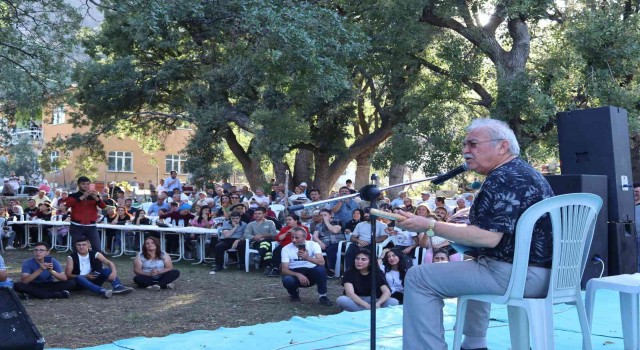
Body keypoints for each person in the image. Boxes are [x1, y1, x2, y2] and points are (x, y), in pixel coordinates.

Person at [397, 118, 554, 350]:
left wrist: (429, 225)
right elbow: (489, 237)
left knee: (419, 278)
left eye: (472, 144)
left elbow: (488, 238)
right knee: (475, 261)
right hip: (545, 275)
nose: (465, 151)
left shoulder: (503, 177)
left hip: (519, 276)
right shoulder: (522, 172)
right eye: (464, 145)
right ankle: (474, 344)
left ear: (502, 146)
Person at [65, 237, 133, 298]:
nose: (81, 247)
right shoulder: (71, 257)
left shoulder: (95, 254)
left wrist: (114, 272)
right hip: (80, 282)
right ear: (75, 246)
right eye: (79, 245)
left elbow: (109, 263)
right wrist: (85, 276)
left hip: (93, 279)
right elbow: (68, 275)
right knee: (79, 277)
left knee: (107, 270)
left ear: (88, 245)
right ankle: (101, 291)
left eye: (84, 245)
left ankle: (118, 286)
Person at [280, 227, 332, 305]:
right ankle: (294, 294)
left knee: (320, 270)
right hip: (295, 272)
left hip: (311, 271)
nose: (294, 240)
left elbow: (322, 262)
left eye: (297, 238)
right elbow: (284, 270)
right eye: (292, 237)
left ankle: (323, 296)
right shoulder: (286, 249)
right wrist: (298, 275)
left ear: (304, 237)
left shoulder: (313, 245)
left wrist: (307, 258)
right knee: (287, 279)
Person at [65, 176, 107, 252]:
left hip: (91, 226)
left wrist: (96, 197)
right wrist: (83, 196)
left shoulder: (94, 196)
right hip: (76, 225)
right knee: (77, 249)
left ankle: (97, 263)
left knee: (97, 248)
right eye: (83, 184)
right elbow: (68, 204)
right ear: (78, 185)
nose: (86, 186)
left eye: (88, 184)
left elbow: (103, 206)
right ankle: (77, 263)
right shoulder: (73, 195)